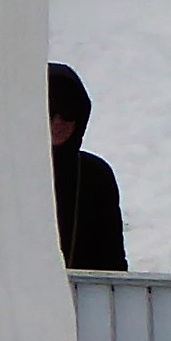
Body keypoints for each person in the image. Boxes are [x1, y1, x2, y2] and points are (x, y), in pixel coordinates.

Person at [48, 63, 126, 272]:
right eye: (49, 111)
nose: (58, 122)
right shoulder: (3, 175)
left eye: (68, 112)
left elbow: (113, 261)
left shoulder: (95, 176)